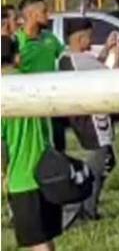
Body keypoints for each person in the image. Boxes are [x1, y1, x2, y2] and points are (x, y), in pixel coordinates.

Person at [58, 21, 119, 221]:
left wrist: (106, 49)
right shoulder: (80, 60)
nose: (91, 40)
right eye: (89, 36)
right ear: (80, 39)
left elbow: (95, 66)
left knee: (107, 160)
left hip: (84, 118)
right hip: (93, 119)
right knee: (100, 161)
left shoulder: (67, 58)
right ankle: (85, 210)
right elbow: (113, 78)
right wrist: (118, 53)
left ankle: (86, 206)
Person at [3, 40, 63, 250]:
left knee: (37, 243)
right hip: (47, 173)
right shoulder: (32, 85)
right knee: (46, 239)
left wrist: (3, 174)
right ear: (17, 57)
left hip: (22, 179)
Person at [13, 0, 63, 74]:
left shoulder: (50, 37)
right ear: (30, 14)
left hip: (51, 86)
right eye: (44, 11)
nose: (48, 15)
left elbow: (65, 56)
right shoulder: (15, 41)